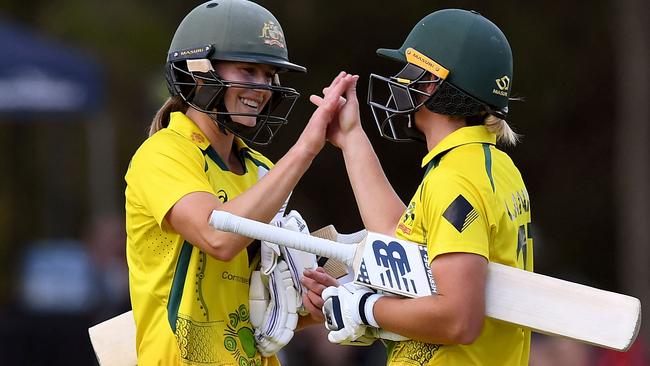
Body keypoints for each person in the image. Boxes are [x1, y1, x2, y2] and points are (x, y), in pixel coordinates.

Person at [124, 0, 355, 364]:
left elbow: (266, 304)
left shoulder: (261, 169)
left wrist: (311, 301)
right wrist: (306, 149)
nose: (262, 88)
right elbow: (219, 237)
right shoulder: (162, 154)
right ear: (198, 72)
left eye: (269, 75)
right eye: (248, 71)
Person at [304, 8, 534, 366]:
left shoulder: (455, 178)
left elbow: (458, 317)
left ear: (434, 85)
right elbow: (403, 242)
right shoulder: (490, 166)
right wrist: (352, 139)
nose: (400, 82)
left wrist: (365, 307)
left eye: (411, 71)